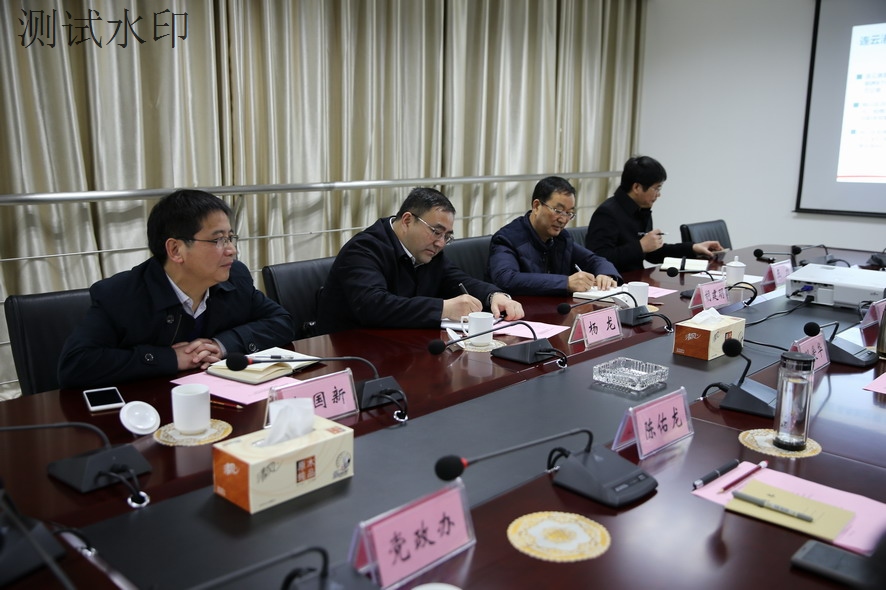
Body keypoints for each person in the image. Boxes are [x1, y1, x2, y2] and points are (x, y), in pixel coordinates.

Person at [58, 189, 295, 389]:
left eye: (230, 238)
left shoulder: (235, 277)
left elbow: (281, 321)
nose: (231, 249)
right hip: (151, 410)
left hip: (222, 398)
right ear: (175, 250)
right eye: (218, 240)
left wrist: (222, 345)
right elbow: (75, 364)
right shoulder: (120, 295)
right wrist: (169, 358)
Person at [315, 187, 524, 334]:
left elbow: (456, 280)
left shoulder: (428, 250)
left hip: (400, 342)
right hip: (350, 349)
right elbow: (374, 306)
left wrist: (493, 295)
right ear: (407, 220)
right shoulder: (364, 249)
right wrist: (443, 308)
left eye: (447, 236)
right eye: (436, 232)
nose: (441, 243)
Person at [586, 156, 723, 273]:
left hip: (636, 280)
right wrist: (640, 247)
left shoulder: (641, 209)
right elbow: (598, 258)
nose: (658, 195)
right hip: (614, 284)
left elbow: (653, 253)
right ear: (637, 187)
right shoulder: (607, 213)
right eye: (656, 188)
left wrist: (692, 248)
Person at [487, 176, 621, 296]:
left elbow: (593, 260)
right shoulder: (507, 238)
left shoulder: (561, 238)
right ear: (536, 206)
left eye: (569, 213)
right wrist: (565, 283)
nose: (563, 220)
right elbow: (506, 279)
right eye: (558, 211)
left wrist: (606, 274)